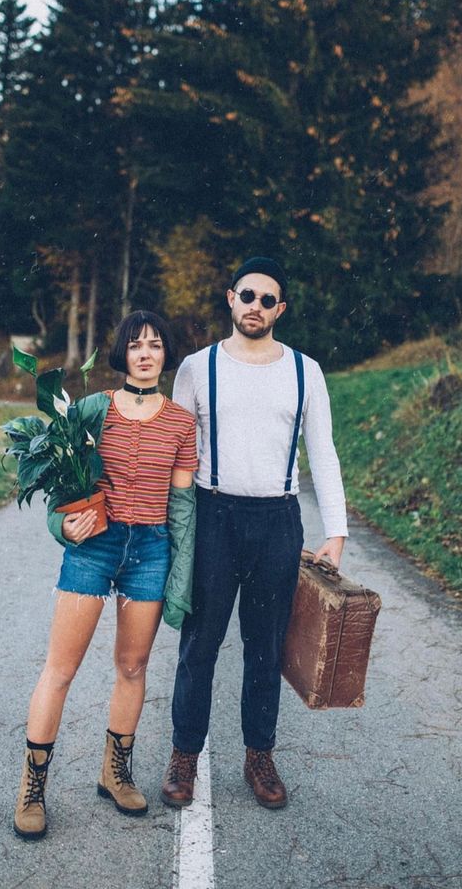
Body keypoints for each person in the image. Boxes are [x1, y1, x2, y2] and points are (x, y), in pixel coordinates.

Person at [161, 257, 348, 810]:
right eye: (248, 296)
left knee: (265, 648)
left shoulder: (304, 370)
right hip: (214, 517)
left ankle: (259, 756)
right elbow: (174, 453)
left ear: (280, 310)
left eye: (268, 300)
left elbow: (324, 452)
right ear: (230, 298)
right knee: (200, 645)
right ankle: (183, 756)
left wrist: (335, 530)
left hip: (277, 522)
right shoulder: (197, 368)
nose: (256, 307)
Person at [14, 310, 197, 840]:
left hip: (150, 549)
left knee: (133, 667)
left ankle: (114, 773)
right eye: (136, 344)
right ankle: (32, 790)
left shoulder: (183, 422)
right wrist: (61, 528)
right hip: (94, 546)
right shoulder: (93, 410)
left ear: (166, 356)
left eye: (156, 345)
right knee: (61, 670)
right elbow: (58, 487)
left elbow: (182, 508)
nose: (145, 353)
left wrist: (180, 578)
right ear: (121, 354)